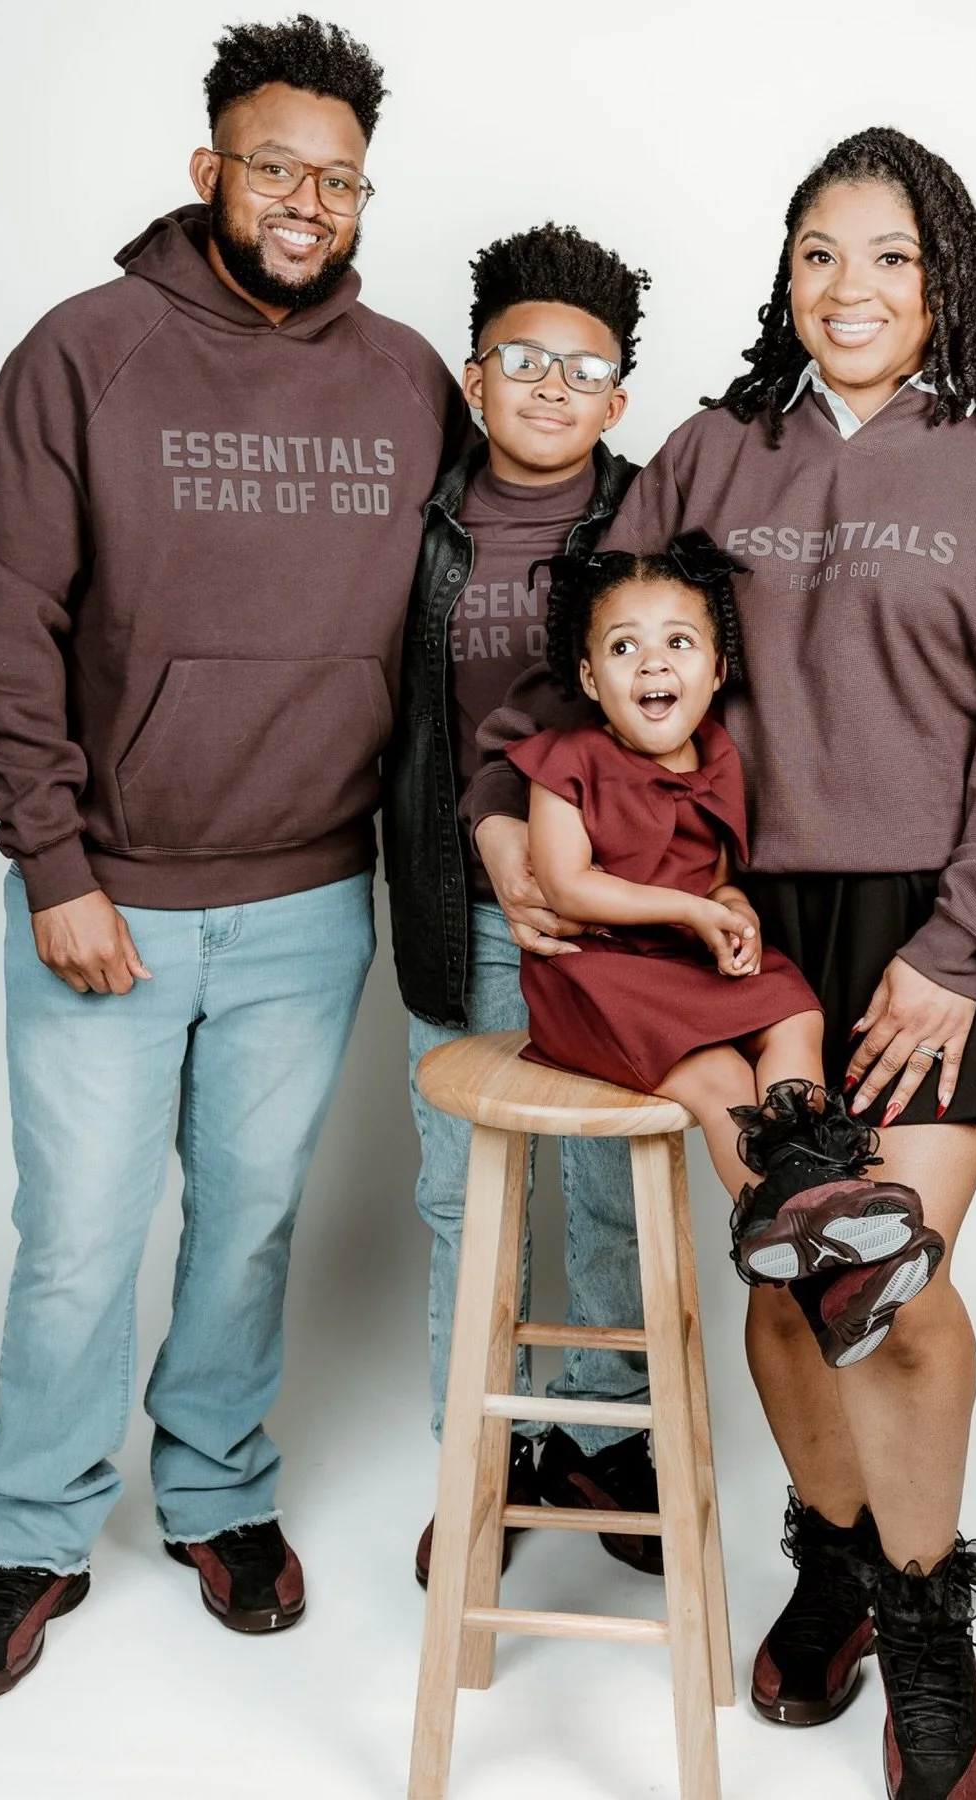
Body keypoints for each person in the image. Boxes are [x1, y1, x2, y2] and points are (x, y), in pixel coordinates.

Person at [463, 127, 976, 1800]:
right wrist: (498, 807)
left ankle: (925, 1620)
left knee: (887, 1291)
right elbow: (590, 647)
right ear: (783, 274)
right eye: (820, 252)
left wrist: (965, 949)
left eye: (892, 255)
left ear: (947, 277)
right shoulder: (708, 451)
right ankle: (830, 1555)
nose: (852, 288)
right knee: (788, 1270)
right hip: (745, 924)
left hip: (943, 932)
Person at [0, 15, 467, 1701]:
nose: (305, 199)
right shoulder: (83, 355)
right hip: (113, 896)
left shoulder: (404, 382)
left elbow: (481, 600)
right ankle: (27, 1532)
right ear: (208, 169)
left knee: (245, 1226)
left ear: (364, 194)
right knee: (81, 1235)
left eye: (337, 177)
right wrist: (56, 863)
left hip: (312, 898)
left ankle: (220, 1494)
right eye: (273, 166)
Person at [384, 225, 668, 1584]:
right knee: (462, 1195)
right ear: (474, 375)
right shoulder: (417, 519)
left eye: (584, 368)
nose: (550, 387)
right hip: (459, 902)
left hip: (613, 912)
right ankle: (477, 1454)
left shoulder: (651, 524)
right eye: (521, 359)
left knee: (606, 1189)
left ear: (618, 400)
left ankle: (610, 1439)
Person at [508, 534, 946, 1367]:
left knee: (794, 1011)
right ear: (589, 678)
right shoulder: (566, 761)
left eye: (678, 642)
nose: (651, 664)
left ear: (715, 672)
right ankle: (830, 1258)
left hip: (683, 961)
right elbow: (567, 887)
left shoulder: (717, 757)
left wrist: (731, 907)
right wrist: (690, 910)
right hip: (598, 974)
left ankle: (824, 1219)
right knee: (717, 1080)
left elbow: (713, 875)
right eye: (623, 646)